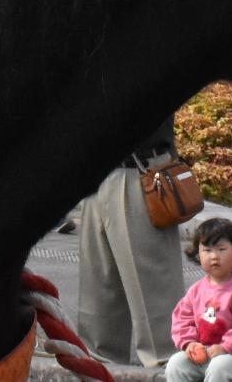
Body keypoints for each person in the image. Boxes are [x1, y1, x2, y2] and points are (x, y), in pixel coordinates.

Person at [76, 123, 187, 366]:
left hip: (140, 170)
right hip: (97, 173)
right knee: (98, 315)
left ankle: (173, 373)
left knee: (158, 322)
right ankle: (99, 370)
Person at [165, 217, 232, 381]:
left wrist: (225, 347)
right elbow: (182, 318)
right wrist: (189, 343)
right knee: (175, 364)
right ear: (198, 254)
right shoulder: (196, 290)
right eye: (207, 251)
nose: (214, 256)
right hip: (201, 353)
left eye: (221, 249)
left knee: (219, 369)